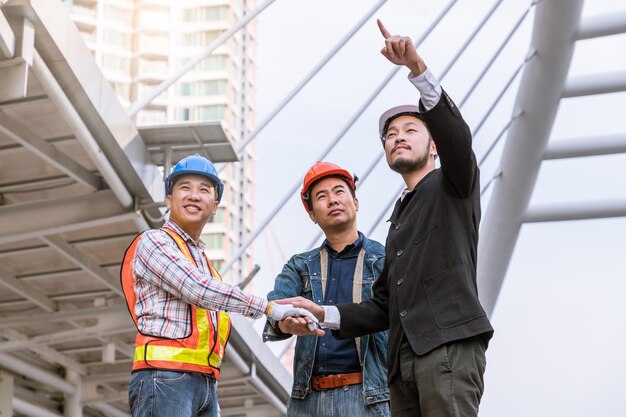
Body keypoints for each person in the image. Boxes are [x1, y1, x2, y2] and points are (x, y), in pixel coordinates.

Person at [280, 21, 494, 417]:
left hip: (446, 347)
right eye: (390, 134)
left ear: (434, 146)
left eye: (411, 129)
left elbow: (458, 140)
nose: (397, 137)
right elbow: (382, 306)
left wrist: (416, 69)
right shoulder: (399, 217)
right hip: (402, 365)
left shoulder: (454, 184)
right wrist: (322, 314)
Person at [120, 154, 317, 417]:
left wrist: (208, 390)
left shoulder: (206, 265)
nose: (193, 195)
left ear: (214, 206)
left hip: (203, 382)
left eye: (203, 190)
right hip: (164, 376)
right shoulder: (155, 242)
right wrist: (269, 308)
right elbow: (196, 289)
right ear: (169, 200)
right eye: (184, 187)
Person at [263, 161, 390, 417]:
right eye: (322, 196)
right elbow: (276, 307)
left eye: (339, 191)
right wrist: (288, 324)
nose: (332, 200)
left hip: (368, 398)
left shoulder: (385, 260)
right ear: (312, 215)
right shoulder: (300, 266)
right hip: (307, 400)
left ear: (356, 202)